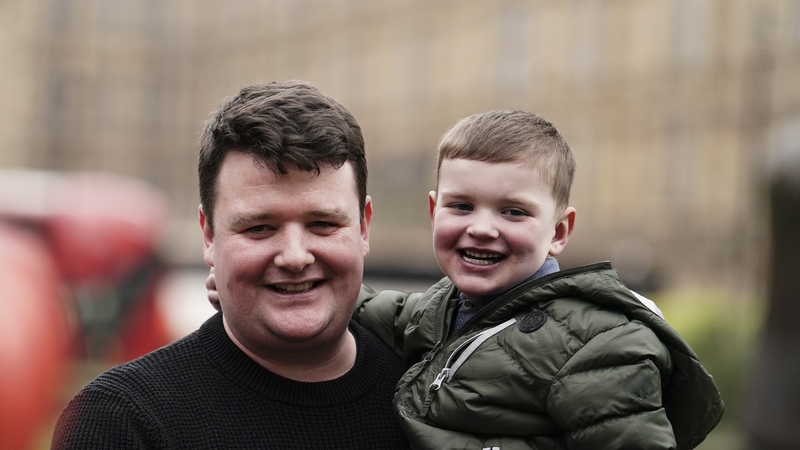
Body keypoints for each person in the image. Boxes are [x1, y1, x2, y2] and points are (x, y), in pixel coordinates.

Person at [204, 109, 725, 449]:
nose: (481, 227)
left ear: (560, 231)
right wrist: (271, 290)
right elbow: (363, 305)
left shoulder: (601, 343)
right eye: (461, 205)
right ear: (434, 211)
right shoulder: (440, 310)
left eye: (514, 212)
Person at [51, 81, 410, 449]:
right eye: (259, 228)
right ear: (209, 235)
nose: (295, 256)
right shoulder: (121, 421)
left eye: (323, 224)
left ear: (364, 227)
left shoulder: (434, 397)